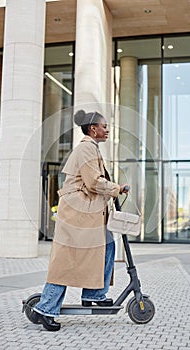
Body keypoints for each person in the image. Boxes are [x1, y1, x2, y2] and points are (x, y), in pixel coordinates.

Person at [31, 110, 130, 331]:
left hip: (84, 212)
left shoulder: (90, 148)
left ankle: (94, 293)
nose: (107, 129)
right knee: (66, 261)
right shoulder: (86, 148)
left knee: (107, 245)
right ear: (93, 128)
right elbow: (94, 182)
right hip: (78, 214)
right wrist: (117, 188)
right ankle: (46, 308)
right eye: (104, 126)